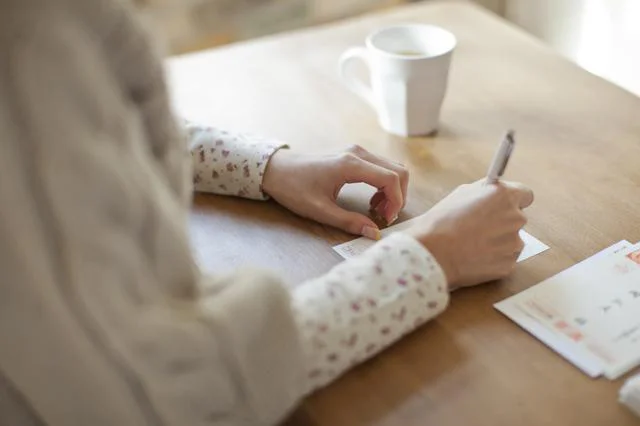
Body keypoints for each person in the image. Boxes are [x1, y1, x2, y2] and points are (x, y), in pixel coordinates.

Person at [0, 0, 534, 425]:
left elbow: (82, 131)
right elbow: (179, 399)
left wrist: (266, 166)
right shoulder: (32, 41)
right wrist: (428, 257)